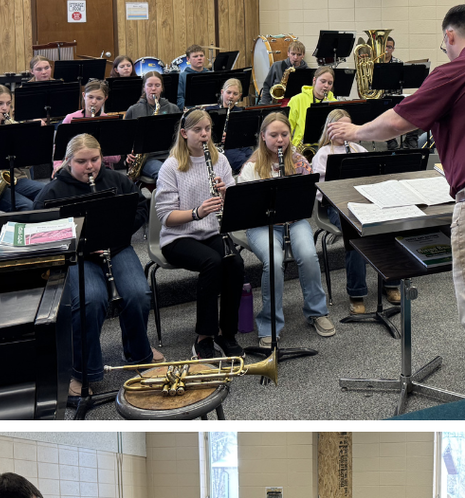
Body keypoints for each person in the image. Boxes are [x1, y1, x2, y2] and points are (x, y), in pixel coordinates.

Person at [327, 3, 465, 421]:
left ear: (450, 36)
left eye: (443, 43)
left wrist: (354, 130)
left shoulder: (455, 70)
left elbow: (397, 122)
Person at [33, 133, 159, 398]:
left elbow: (139, 208)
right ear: (68, 162)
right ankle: (84, 371)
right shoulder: (53, 191)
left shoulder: (116, 180)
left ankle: (139, 354)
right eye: (81, 161)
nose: (90, 167)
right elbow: (39, 229)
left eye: (94, 159)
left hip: (116, 247)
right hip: (78, 256)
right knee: (90, 300)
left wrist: (117, 231)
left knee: (138, 293)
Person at [154, 108, 245, 359]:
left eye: (207, 129)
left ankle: (227, 333)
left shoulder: (221, 160)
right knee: (212, 262)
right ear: (184, 133)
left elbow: (234, 205)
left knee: (234, 262)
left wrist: (227, 194)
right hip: (177, 237)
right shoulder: (171, 166)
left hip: (211, 231)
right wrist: (197, 212)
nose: (204, 134)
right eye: (197, 130)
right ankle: (204, 336)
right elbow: (166, 217)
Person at [239, 112, 334, 344]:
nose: (280, 140)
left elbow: (308, 198)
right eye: (273, 135)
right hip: (262, 225)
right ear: (263, 136)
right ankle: (269, 323)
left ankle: (317, 312)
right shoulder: (251, 166)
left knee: (309, 255)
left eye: (284, 134)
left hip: (294, 221)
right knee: (274, 261)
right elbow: (243, 205)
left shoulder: (299, 161)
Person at [311, 108, 370, 314]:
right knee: (355, 234)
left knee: (387, 227)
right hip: (335, 206)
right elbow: (319, 192)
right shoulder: (323, 154)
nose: (344, 132)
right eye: (340, 127)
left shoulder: (358, 149)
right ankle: (357, 293)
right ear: (330, 130)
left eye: (348, 127)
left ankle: (392, 284)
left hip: (362, 202)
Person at [51, 80, 121, 175]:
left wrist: (94, 153)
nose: (93, 102)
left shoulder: (109, 121)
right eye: (90, 97)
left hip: (101, 167)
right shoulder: (70, 118)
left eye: (99, 98)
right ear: (84, 95)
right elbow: (58, 148)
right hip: (75, 165)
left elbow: (116, 158)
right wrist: (57, 165)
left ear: (105, 99)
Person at [123, 72, 180, 180]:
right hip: (147, 159)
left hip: (171, 155)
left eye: (157, 85)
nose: (153, 89)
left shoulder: (173, 108)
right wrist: (127, 152)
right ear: (144, 88)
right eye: (149, 85)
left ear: (162, 88)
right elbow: (125, 137)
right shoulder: (133, 110)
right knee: (165, 175)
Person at [206, 77, 253, 174]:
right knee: (241, 161)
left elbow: (246, 135)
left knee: (255, 158)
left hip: (241, 146)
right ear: (222, 92)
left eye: (235, 94)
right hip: (224, 147)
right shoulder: (210, 111)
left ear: (239, 96)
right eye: (228, 92)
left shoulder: (240, 113)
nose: (231, 96)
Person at [287, 65, 335, 152]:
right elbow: (287, 128)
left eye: (330, 83)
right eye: (323, 81)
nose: (326, 86)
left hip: (326, 147)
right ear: (314, 80)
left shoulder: (334, 102)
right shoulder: (297, 100)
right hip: (302, 148)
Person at [259, 39, 307, 106]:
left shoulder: (307, 70)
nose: (295, 57)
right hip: (279, 103)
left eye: (299, 55)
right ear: (288, 53)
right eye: (293, 54)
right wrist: (264, 105)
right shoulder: (276, 66)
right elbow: (267, 85)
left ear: (303, 55)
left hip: (298, 103)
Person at [175, 45, 211, 110]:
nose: (199, 58)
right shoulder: (182, 76)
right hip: (191, 111)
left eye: (201, 56)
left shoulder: (210, 74)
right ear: (188, 59)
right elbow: (179, 98)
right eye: (195, 56)